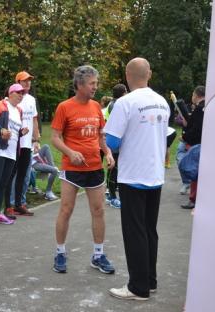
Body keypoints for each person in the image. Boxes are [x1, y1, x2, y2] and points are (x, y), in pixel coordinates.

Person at [105, 57, 170, 301]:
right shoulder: (162, 102)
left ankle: (138, 287)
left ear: (127, 75)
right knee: (149, 230)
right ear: (149, 74)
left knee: (135, 232)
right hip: (155, 175)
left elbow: (112, 142)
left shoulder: (125, 103)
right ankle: (149, 281)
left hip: (133, 174)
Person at [51, 65, 115, 275]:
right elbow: (55, 138)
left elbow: (100, 135)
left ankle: (98, 255)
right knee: (66, 210)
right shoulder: (64, 107)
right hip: (72, 168)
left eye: (96, 83)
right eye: (92, 83)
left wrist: (107, 152)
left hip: (94, 167)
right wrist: (70, 153)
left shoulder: (96, 107)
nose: (95, 87)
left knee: (98, 211)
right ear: (79, 85)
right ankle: (60, 252)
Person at [0, 84, 29, 228]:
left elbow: (13, 132)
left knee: (3, 183)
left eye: (23, 93)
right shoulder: (1, 104)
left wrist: (21, 133)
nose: (21, 95)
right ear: (11, 92)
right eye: (18, 93)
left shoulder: (19, 110)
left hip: (12, 151)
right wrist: (1, 130)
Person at [5, 71, 41, 217]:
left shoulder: (31, 99)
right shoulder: (11, 99)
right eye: (24, 81)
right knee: (11, 175)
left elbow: (34, 120)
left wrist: (37, 139)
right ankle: (9, 205)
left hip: (27, 143)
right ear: (17, 82)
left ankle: (20, 203)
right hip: (14, 143)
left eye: (29, 81)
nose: (27, 83)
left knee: (24, 176)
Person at [180, 86, 205, 210]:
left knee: (193, 169)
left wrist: (184, 137)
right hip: (205, 143)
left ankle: (193, 199)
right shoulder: (209, 106)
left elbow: (196, 129)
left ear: (196, 95)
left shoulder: (200, 109)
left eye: (193, 95)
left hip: (197, 144)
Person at [104, 83, 128, 209]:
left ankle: (110, 192)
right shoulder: (116, 105)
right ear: (123, 93)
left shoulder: (116, 103)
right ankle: (111, 196)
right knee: (113, 169)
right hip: (113, 141)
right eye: (126, 91)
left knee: (115, 169)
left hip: (115, 140)